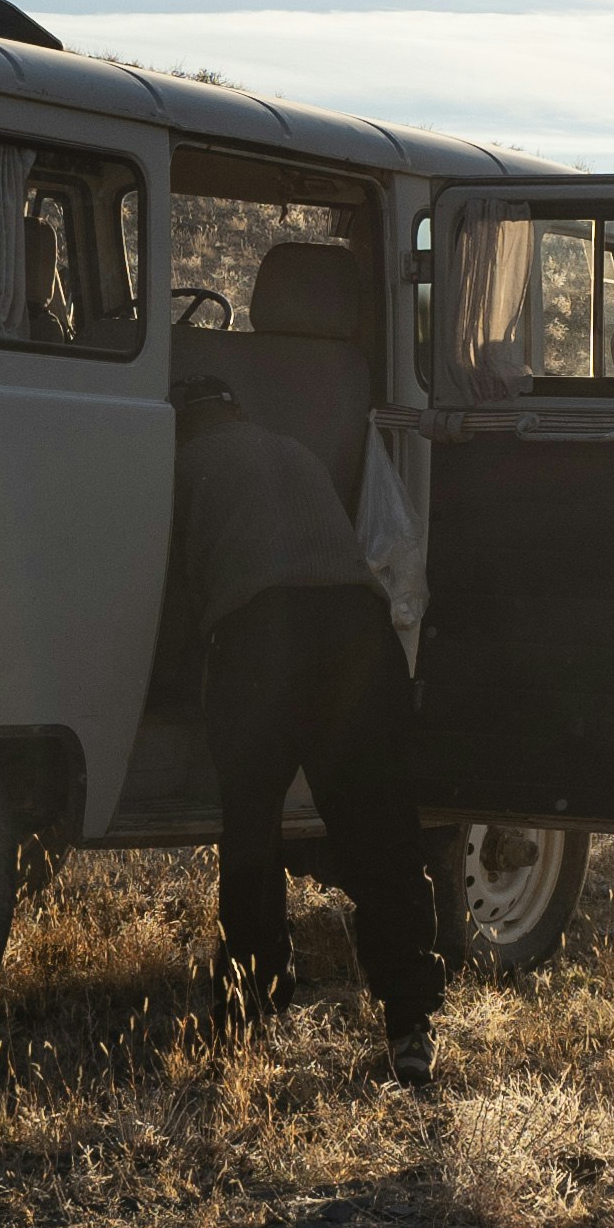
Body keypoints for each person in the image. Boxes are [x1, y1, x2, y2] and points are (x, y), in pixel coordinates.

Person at [171, 367, 449, 1083]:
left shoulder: (180, 464)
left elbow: (170, 594)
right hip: (360, 627)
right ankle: (411, 1024)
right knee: (382, 828)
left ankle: (253, 1006)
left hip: (263, 631)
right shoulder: (291, 447)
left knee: (253, 827)